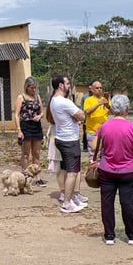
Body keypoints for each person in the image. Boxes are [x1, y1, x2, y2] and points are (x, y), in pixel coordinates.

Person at [91, 94, 133, 244]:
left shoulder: (104, 126)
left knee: (107, 203)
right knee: (127, 203)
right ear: (126, 109)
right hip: (128, 171)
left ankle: (109, 235)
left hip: (107, 170)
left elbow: (93, 146)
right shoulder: (132, 127)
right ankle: (132, 235)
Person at [46, 75, 87, 213]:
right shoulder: (64, 102)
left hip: (61, 138)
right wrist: (76, 117)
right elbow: (81, 115)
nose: (69, 86)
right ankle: (67, 203)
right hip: (69, 140)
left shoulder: (53, 101)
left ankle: (69, 199)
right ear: (61, 85)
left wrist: (73, 117)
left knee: (67, 170)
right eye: (68, 83)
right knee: (72, 172)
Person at [13, 76, 46, 186]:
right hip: (25, 126)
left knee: (36, 153)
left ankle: (38, 177)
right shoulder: (21, 97)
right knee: (26, 153)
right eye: (31, 88)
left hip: (36, 126)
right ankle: (25, 176)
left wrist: (39, 116)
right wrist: (19, 130)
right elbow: (16, 115)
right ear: (27, 87)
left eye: (35, 88)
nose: (33, 90)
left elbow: (42, 111)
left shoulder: (37, 97)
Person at [83, 81, 110, 162]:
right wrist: (99, 104)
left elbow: (112, 112)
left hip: (105, 132)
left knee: (104, 155)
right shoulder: (88, 100)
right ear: (92, 89)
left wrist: (107, 105)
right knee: (93, 155)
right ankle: (92, 173)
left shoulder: (105, 100)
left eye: (100, 88)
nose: (99, 89)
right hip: (92, 132)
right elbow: (87, 111)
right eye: (97, 88)